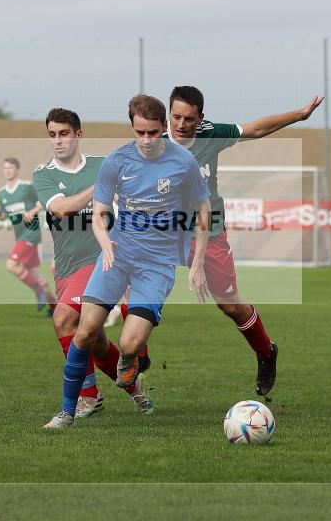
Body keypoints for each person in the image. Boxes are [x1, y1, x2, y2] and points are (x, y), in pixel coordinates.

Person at [44, 94, 211, 429]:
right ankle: (66, 412)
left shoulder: (184, 163)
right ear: (132, 128)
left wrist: (198, 264)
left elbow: (203, 210)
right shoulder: (117, 161)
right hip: (118, 255)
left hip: (158, 264)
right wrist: (105, 244)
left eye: (152, 132)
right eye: (139, 133)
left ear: (163, 128)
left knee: (129, 343)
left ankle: (131, 359)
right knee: (85, 330)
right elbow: (100, 212)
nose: (146, 140)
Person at [165, 86, 324, 395]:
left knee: (229, 304)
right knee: (142, 289)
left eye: (189, 119)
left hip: (208, 232)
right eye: (176, 117)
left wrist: (300, 115)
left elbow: (256, 128)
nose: (182, 125)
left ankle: (266, 352)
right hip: (167, 232)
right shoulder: (154, 141)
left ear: (201, 119)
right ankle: (135, 359)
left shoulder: (212, 134)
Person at [33, 107, 152, 418]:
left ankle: (87, 397)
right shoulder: (43, 174)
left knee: (62, 319)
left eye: (64, 134)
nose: (58, 141)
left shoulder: (103, 165)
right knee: (96, 341)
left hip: (101, 260)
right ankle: (134, 387)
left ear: (78, 135)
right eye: (52, 135)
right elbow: (62, 210)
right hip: (67, 268)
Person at [0, 157, 56, 314]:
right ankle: (55, 308)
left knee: (11, 265)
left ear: (17, 169)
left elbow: (44, 200)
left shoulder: (26, 187)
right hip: (20, 235)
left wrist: (33, 212)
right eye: (5, 168)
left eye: (11, 168)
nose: (8, 171)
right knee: (35, 274)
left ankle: (38, 290)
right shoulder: (2, 193)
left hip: (31, 232)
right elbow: (5, 216)